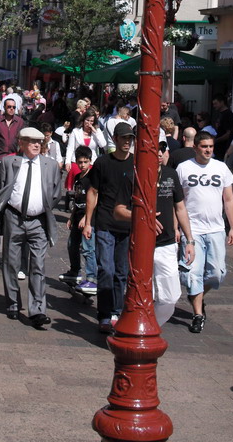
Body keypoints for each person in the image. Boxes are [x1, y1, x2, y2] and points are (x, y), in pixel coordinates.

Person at [0, 127, 61, 327]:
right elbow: (1, 190)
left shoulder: (50, 165)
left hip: (38, 221)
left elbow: (57, 192)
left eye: (39, 142)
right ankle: (13, 303)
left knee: (38, 266)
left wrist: (42, 207)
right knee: (11, 263)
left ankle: (38, 310)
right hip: (14, 218)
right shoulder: (9, 162)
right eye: (31, 141)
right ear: (21, 143)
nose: (36, 145)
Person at [114, 131, 196, 326]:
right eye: (155, 149)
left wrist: (189, 239)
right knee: (141, 294)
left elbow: (180, 207)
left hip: (166, 244)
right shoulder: (131, 175)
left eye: (162, 148)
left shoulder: (170, 174)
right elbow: (117, 211)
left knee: (170, 296)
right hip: (140, 244)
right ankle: (135, 325)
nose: (159, 153)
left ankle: (151, 326)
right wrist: (142, 217)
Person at [176, 130, 233, 333]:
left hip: (216, 229)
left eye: (211, 146)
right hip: (191, 230)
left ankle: (197, 294)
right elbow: (178, 202)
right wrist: (177, 227)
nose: (208, 150)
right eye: (204, 146)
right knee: (193, 274)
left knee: (217, 273)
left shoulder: (221, 168)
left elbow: (229, 200)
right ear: (195, 147)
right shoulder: (183, 168)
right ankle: (197, 314)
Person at [83, 121, 135, 334]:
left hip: (127, 224)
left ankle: (116, 311)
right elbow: (92, 192)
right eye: (123, 138)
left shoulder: (136, 163)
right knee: (106, 268)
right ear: (115, 139)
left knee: (122, 272)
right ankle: (105, 314)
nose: (127, 142)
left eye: (130, 138)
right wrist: (88, 222)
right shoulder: (103, 162)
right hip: (105, 222)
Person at [61, 146, 97, 295]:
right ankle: (75, 271)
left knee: (88, 249)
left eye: (85, 162)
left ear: (90, 161)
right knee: (72, 245)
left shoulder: (92, 178)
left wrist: (86, 218)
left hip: (88, 219)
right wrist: (71, 217)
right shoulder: (78, 178)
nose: (82, 165)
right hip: (77, 216)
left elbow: (94, 200)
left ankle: (91, 278)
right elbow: (76, 198)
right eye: (80, 162)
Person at [0, 97, 25, 187]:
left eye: (14, 107)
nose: (11, 109)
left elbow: (23, 139)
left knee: (12, 183)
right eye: (9, 107)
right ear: (4, 107)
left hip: (14, 156)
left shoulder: (20, 122)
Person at [211, 96, 233, 162]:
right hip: (217, 148)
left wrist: (216, 140)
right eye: (213, 104)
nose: (214, 106)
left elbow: (229, 133)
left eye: (216, 103)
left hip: (223, 148)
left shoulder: (228, 115)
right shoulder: (219, 114)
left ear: (222, 102)